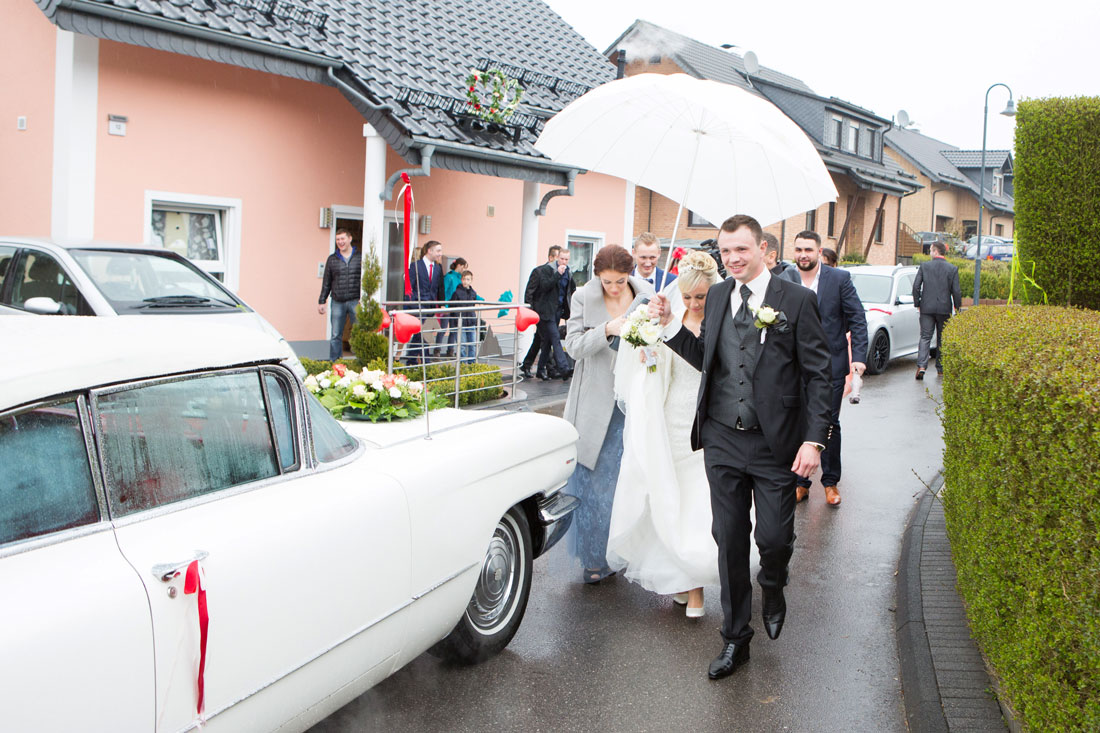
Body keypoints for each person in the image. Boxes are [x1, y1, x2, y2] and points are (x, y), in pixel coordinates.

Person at [649, 214, 831, 680]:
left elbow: (819, 375)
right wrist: (671, 327)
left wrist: (815, 440)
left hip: (776, 445)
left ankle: (772, 581)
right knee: (728, 540)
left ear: (764, 248)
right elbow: (707, 359)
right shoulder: (713, 297)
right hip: (722, 440)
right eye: (725, 251)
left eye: (741, 250)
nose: (732, 259)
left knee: (772, 539)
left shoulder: (797, 300)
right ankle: (735, 639)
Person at [608, 250, 722, 618]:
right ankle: (680, 576)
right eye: (687, 296)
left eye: (700, 296)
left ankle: (697, 589)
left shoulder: (720, 322)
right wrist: (648, 351)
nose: (693, 303)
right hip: (671, 417)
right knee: (670, 498)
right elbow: (659, 370)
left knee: (697, 505)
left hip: (705, 422)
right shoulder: (664, 314)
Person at [563, 245, 655, 583]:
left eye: (619, 281)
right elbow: (572, 348)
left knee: (628, 483)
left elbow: (660, 341)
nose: (613, 288)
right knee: (596, 487)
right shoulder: (583, 297)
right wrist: (606, 330)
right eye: (606, 281)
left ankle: (623, 552)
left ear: (629, 275)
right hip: (596, 404)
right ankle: (594, 558)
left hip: (634, 399)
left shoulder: (647, 295)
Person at [787, 230, 868, 507]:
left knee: (829, 423)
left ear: (819, 252)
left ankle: (830, 482)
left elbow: (857, 318)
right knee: (798, 422)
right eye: (798, 249)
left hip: (830, 366)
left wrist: (858, 356)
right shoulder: (784, 278)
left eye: (808, 249)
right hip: (792, 367)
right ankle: (800, 482)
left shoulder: (839, 279)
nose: (803, 255)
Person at [912, 241, 962, 379]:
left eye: (931, 251)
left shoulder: (925, 266)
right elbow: (956, 291)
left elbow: (916, 287)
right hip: (944, 309)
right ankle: (940, 368)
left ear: (935, 251)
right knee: (942, 338)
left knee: (925, 337)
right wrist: (958, 308)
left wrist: (918, 302)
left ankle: (922, 366)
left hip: (926, 308)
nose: (930, 253)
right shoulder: (952, 269)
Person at [524, 245, 572, 380]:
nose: (564, 262)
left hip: (557, 311)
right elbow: (536, 290)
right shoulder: (543, 270)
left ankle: (537, 368)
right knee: (554, 337)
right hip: (543, 312)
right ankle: (563, 368)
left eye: (566, 259)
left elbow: (569, 290)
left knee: (544, 341)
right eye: (562, 258)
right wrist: (531, 312)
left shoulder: (568, 272)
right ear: (555, 258)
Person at [317, 228, 361, 361]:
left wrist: (365, 298)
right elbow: (326, 282)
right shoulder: (332, 259)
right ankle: (335, 363)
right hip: (338, 301)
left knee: (359, 332)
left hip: (355, 301)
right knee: (336, 334)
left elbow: (365, 279)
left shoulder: (360, 257)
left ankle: (360, 361)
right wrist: (322, 301)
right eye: (338, 239)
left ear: (350, 239)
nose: (340, 242)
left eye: (342, 239)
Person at [520, 246, 559, 379]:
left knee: (539, 339)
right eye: (557, 258)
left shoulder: (559, 273)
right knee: (545, 339)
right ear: (550, 258)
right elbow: (529, 292)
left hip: (551, 312)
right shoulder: (538, 271)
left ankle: (526, 365)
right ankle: (549, 368)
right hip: (539, 312)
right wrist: (531, 311)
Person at [405, 240, 445, 365]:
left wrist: (441, 304)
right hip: (418, 306)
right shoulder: (416, 266)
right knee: (421, 333)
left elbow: (439, 287)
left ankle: (413, 360)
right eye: (438, 251)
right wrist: (411, 306)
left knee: (424, 334)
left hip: (430, 307)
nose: (440, 254)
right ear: (429, 251)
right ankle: (422, 361)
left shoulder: (438, 268)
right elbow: (408, 287)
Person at [450, 269, 483, 363]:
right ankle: (463, 364)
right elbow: (452, 307)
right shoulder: (456, 293)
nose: (466, 281)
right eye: (464, 279)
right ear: (461, 280)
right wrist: (456, 320)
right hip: (460, 322)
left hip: (471, 321)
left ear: (471, 280)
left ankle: (472, 363)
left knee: (472, 344)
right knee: (462, 345)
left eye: (468, 279)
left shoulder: (473, 293)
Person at [440, 258, 468, 358]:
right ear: (459, 265)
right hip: (448, 306)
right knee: (443, 328)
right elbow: (444, 291)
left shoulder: (460, 278)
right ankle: (437, 351)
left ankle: (450, 351)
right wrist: (444, 304)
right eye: (464, 267)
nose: (464, 270)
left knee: (454, 329)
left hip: (456, 307)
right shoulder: (449, 277)